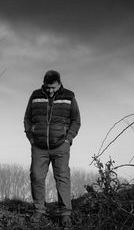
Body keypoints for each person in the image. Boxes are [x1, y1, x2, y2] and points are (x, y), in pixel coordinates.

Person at [24, 70, 81, 227]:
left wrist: (68, 139)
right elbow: (27, 118)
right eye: (47, 87)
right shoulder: (35, 95)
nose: (50, 91)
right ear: (44, 84)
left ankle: (65, 213)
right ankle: (39, 210)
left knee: (62, 178)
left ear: (59, 84)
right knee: (36, 176)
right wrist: (31, 137)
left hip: (60, 146)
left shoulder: (69, 96)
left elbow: (76, 120)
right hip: (39, 146)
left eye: (53, 88)